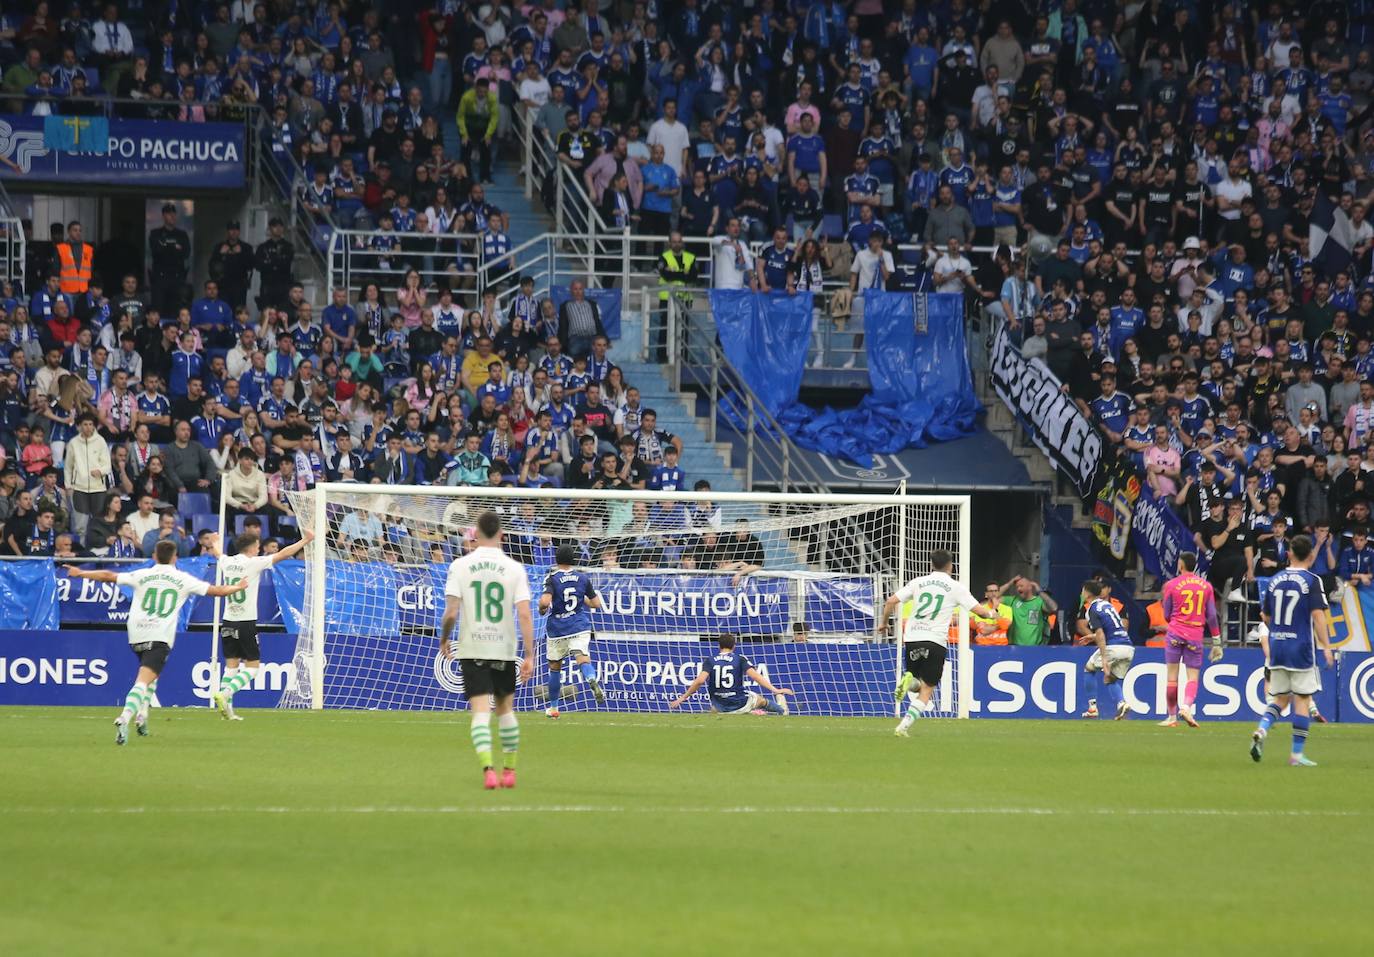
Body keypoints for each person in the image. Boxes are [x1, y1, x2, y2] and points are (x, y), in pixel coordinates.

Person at [64, 537, 246, 745]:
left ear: (154, 557)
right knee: (143, 680)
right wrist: (239, 587)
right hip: (160, 636)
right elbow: (217, 591)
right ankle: (124, 717)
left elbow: (108, 575)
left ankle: (142, 718)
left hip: (136, 634)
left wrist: (81, 573)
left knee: (152, 675)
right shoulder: (183, 579)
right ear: (175, 557)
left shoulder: (142, 575)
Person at [439, 510, 535, 790]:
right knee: (505, 711)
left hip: (472, 647)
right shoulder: (515, 568)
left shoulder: (460, 565)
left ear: (476, 535)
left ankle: (488, 771)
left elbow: (451, 612)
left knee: (480, 712)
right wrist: (529, 655)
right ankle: (510, 771)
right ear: (502, 535)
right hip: (503, 649)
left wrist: (444, 639)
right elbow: (525, 615)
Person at [878, 548, 995, 737]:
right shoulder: (956, 586)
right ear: (951, 566)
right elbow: (980, 612)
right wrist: (992, 613)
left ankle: (908, 682)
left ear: (932, 564)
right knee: (928, 689)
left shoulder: (918, 582)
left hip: (913, 638)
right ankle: (903, 727)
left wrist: (883, 623)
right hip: (935, 641)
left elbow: (891, 601)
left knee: (916, 680)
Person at [208, 529, 315, 720]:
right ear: (252, 548)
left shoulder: (227, 562)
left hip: (228, 621)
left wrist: (215, 541)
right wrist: (305, 540)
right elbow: (284, 553)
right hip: (246, 623)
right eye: (258, 546)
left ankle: (228, 712)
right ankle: (224, 694)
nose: (259, 549)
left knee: (230, 667)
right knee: (252, 668)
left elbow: (217, 552)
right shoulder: (253, 563)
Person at [1250, 535, 1334, 766]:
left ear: (1289, 554)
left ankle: (1262, 730)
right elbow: (1319, 617)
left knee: (1280, 700)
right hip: (1301, 649)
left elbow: (1265, 617)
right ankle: (1296, 755)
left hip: (1277, 647)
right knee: (1303, 700)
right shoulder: (1312, 580)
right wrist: (1326, 647)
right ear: (1310, 555)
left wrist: (1279, 631)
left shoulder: (1275, 579)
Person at [538, 543, 606, 718]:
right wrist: (579, 596)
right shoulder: (582, 578)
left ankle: (553, 708)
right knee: (583, 659)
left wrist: (541, 609)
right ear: (573, 559)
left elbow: (545, 602)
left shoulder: (552, 577)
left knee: (555, 667)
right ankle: (591, 679)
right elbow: (596, 604)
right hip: (579, 625)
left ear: (556, 559)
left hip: (558, 628)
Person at [1159, 552, 1220, 729]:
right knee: (1192, 677)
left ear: (1181, 565)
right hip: (1195, 634)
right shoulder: (1206, 586)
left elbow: (1166, 614)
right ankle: (1186, 706)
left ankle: (1171, 718)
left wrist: (1177, 624)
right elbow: (1211, 616)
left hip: (1175, 633)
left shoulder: (1171, 585)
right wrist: (1216, 641)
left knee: (1172, 677)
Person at [669, 634, 793, 715]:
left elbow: (700, 681)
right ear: (734, 646)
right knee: (761, 700)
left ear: (719, 646)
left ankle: (752, 713)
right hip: (739, 702)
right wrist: (775, 690)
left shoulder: (710, 660)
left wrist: (683, 697)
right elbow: (755, 676)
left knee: (714, 711)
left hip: (720, 705)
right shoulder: (739, 659)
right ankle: (782, 711)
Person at [1079, 579, 1134, 721]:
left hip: (1113, 647)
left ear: (1086, 593)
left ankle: (1092, 708)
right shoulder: (1107, 605)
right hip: (1127, 647)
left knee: (1089, 669)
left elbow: (1101, 633)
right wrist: (1092, 636)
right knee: (1109, 678)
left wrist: (1104, 658)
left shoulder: (1092, 609)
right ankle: (1122, 703)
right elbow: (1114, 627)